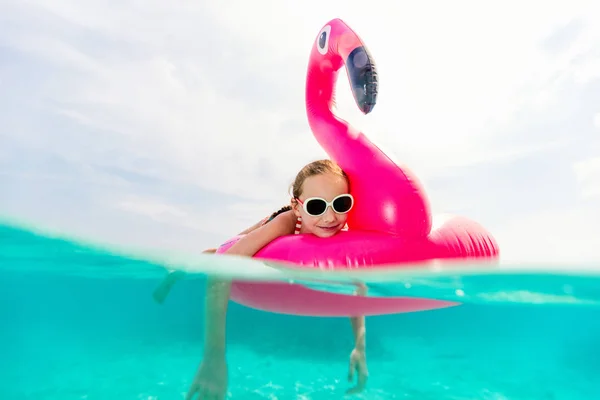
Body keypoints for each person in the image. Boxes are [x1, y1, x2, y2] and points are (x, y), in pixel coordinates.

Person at [156, 159, 368, 399]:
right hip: (265, 229)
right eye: (317, 206)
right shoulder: (288, 221)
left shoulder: (342, 235)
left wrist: (359, 346)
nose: (330, 217)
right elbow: (222, 270)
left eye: (340, 203)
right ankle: (175, 274)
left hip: (284, 238)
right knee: (215, 256)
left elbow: (357, 286)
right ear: (299, 207)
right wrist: (213, 357)